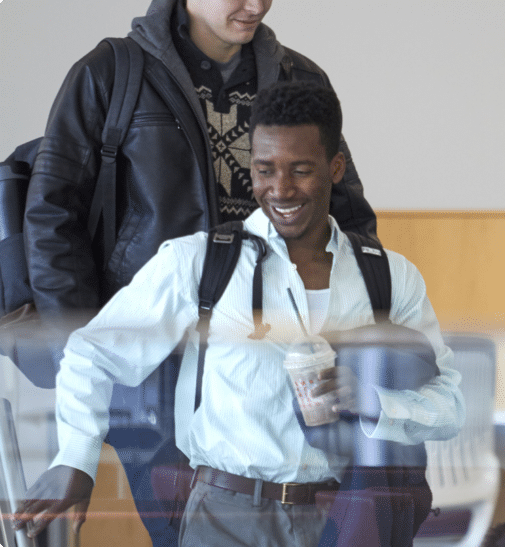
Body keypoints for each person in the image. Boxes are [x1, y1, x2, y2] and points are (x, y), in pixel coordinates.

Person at [14, 80, 464, 546]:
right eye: (264, 169)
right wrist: (75, 459)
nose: (280, 189)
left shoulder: (389, 277)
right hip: (225, 518)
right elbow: (93, 354)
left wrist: (373, 402)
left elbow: (451, 406)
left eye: (301, 170)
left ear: (335, 169)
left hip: (348, 519)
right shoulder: (199, 262)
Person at [23, 1, 376, 544]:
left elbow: (349, 218)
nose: (255, 4)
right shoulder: (110, 73)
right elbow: (52, 219)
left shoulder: (299, 79)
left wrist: (348, 340)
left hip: (280, 362)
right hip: (155, 371)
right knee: (189, 534)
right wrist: (85, 365)